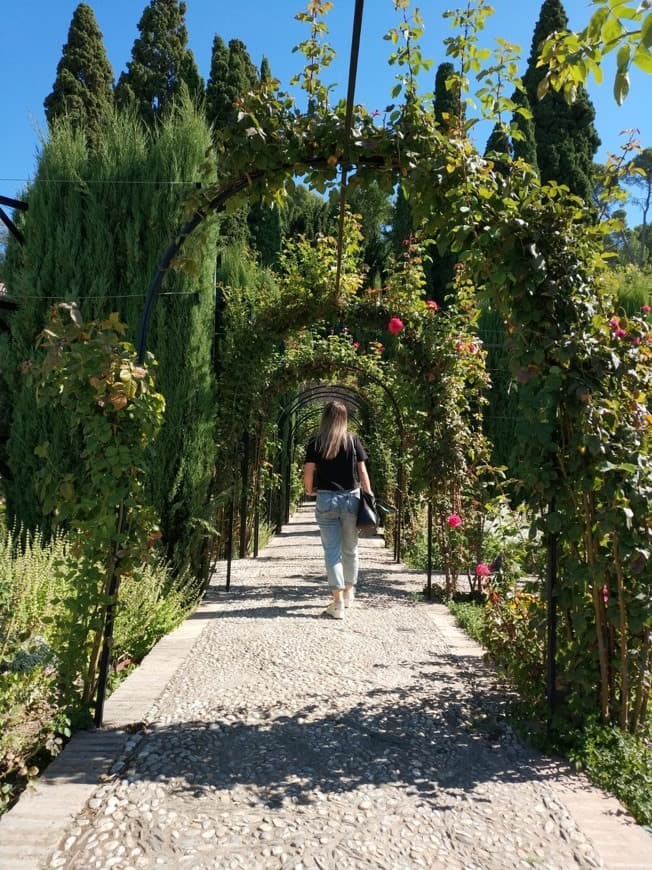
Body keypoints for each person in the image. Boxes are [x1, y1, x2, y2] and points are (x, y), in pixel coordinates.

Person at [303, 400, 373, 619]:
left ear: (325, 417)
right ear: (345, 419)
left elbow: (308, 470)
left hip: (325, 499)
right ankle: (349, 593)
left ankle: (338, 603)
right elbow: (362, 472)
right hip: (351, 499)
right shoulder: (353, 441)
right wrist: (368, 496)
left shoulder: (316, 442)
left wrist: (309, 490)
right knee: (350, 549)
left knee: (331, 552)